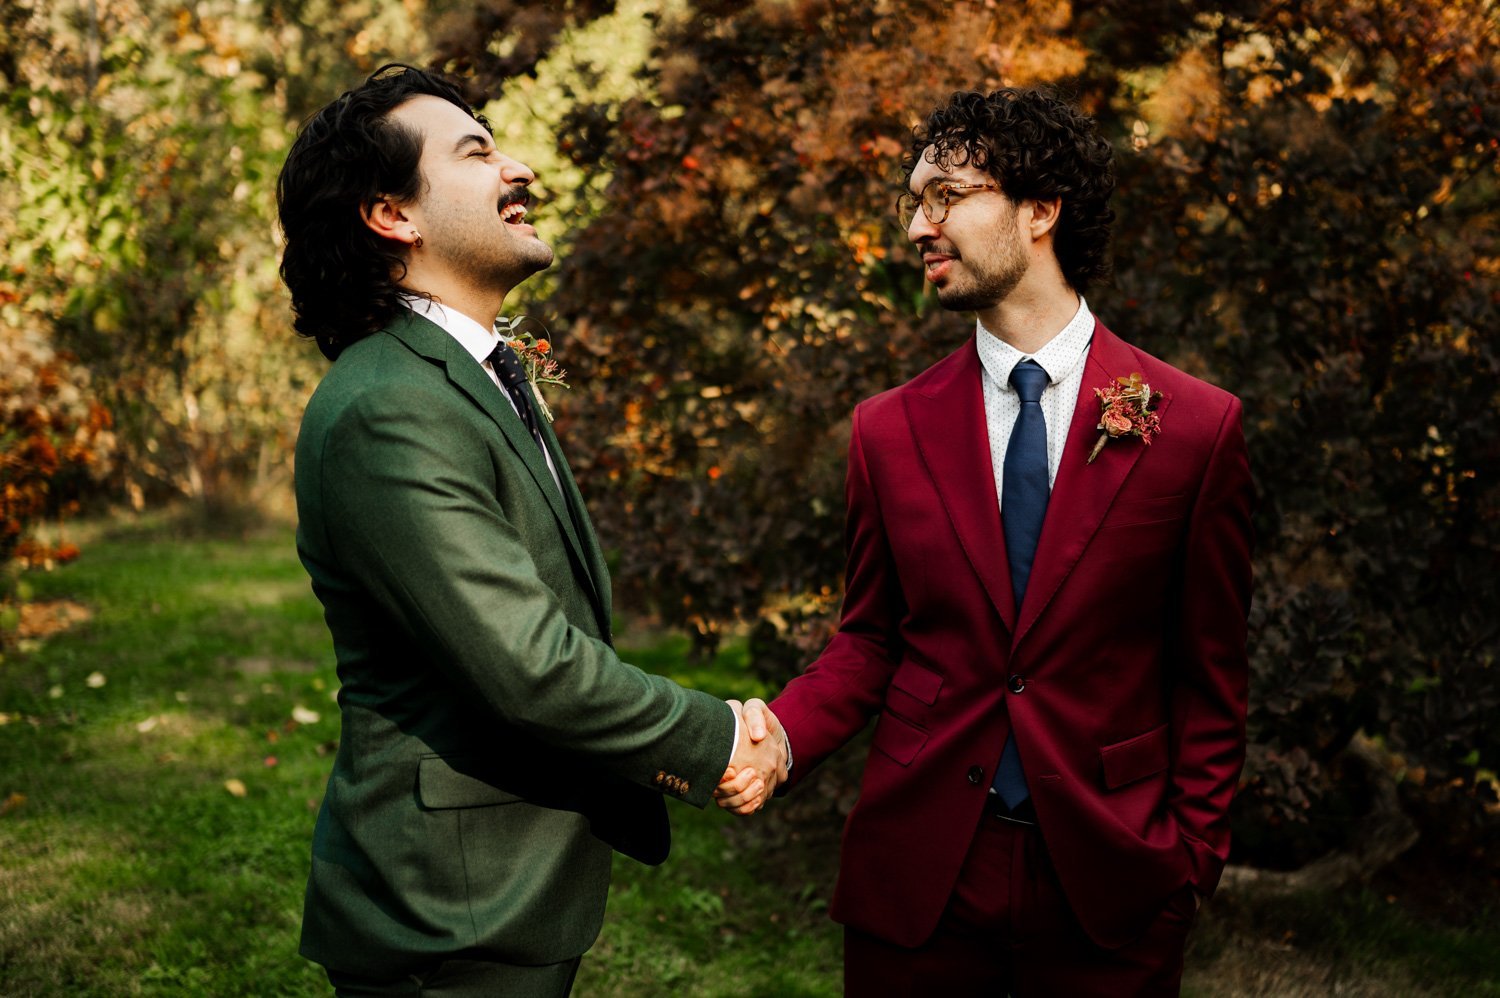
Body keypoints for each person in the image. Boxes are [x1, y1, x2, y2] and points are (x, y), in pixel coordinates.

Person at [724, 88, 1254, 995]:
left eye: (948, 196)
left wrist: (1187, 862)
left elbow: (1209, 674)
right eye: (913, 203)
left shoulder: (1196, 427)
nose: (920, 227)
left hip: (1112, 882)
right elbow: (870, 641)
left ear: (1040, 209)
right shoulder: (887, 430)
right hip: (921, 878)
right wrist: (783, 739)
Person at [278, 64, 785, 996]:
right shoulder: (389, 406)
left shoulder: (462, 375)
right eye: (476, 152)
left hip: (499, 890)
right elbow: (528, 661)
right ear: (393, 214)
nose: (521, 169)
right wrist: (713, 736)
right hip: (449, 913)